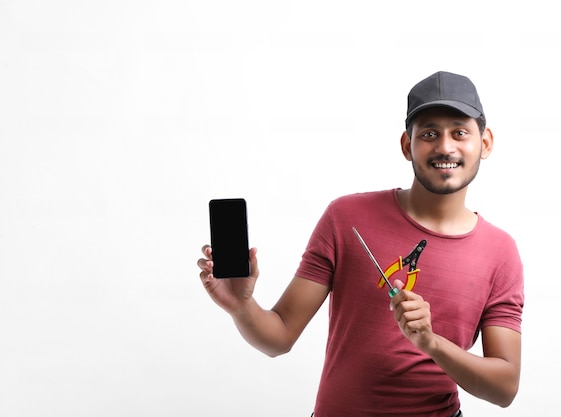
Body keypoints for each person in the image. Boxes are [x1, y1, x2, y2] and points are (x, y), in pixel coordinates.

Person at [197, 71, 524, 417]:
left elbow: (504, 388)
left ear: (485, 143)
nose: (445, 146)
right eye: (429, 133)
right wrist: (241, 307)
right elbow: (278, 337)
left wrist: (432, 343)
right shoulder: (345, 217)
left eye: (459, 132)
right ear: (406, 145)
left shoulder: (501, 252)